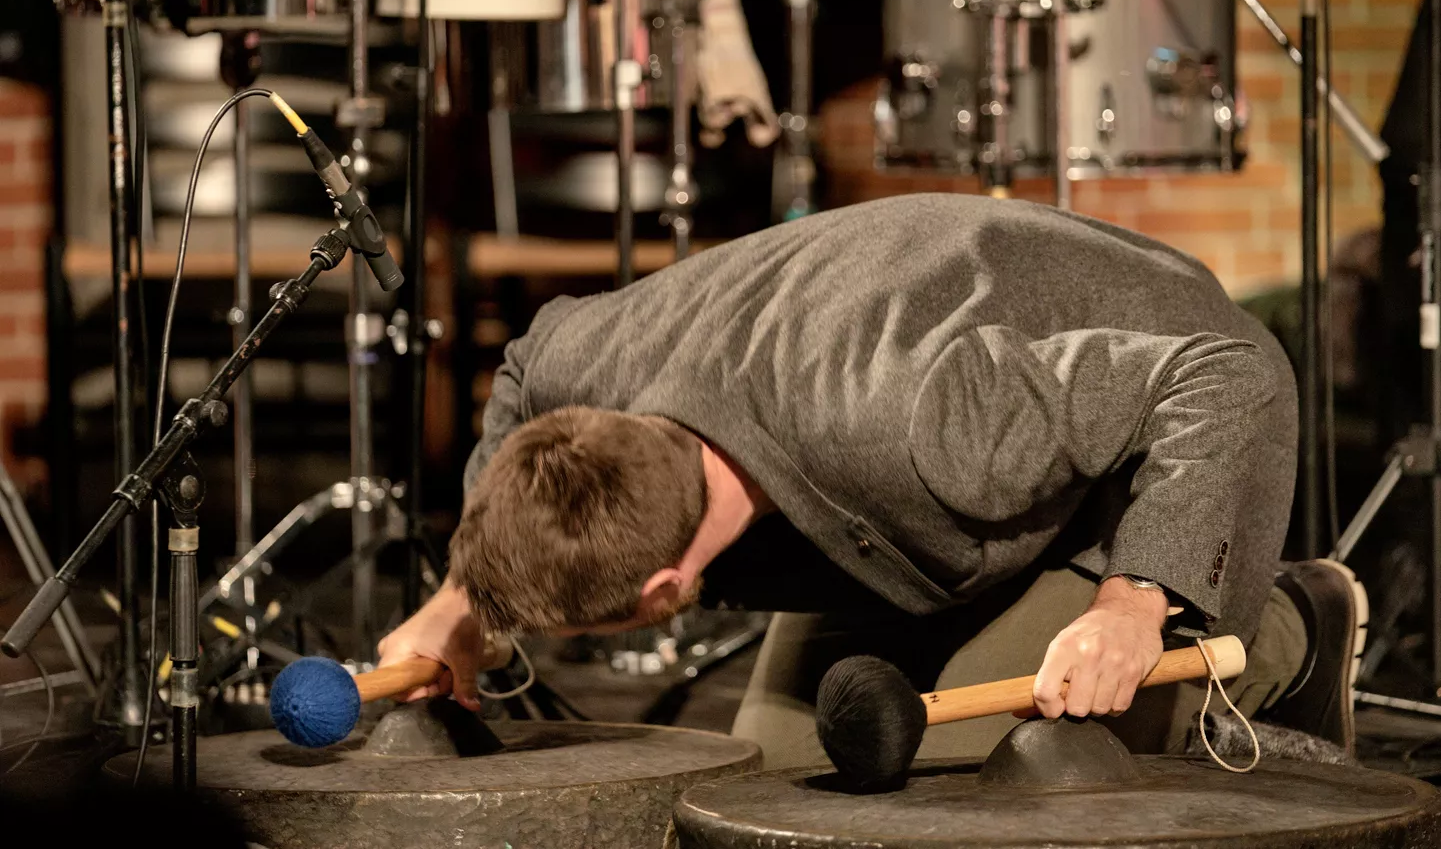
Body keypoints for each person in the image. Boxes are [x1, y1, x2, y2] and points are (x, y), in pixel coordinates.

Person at [378, 194, 1364, 765]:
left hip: (1133, 435)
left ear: (661, 593)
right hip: (911, 503)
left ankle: (1294, 626)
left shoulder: (937, 422)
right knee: (780, 786)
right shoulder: (589, 363)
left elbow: (1227, 373)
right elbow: (523, 366)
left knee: (979, 783)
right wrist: (461, 602)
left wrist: (1133, 602)